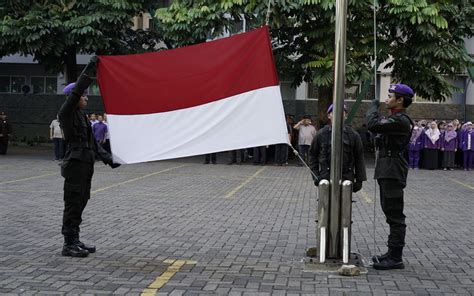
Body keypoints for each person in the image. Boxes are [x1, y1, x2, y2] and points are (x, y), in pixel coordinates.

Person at [58, 57, 120, 258]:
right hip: (75, 164)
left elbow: (93, 144)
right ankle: (68, 243)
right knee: (73, 202)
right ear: (74, 98)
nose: (86, 98)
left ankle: (75, 239)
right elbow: (76, 91)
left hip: (85, 164)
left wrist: (111, 160)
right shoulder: (66, 113)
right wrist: (90, 70)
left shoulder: (83, 118)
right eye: (84, 96)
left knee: (82, 200)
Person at [366, 83, 414, 270]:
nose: (387, 98)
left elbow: (372, 124)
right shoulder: (394, 119)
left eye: (391, 95)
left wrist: (373, 107)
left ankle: (396, 257)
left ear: (400, 100)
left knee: (394, 215)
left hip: (393, 170)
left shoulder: (401, 120)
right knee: (389, 212)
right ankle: (391, 252)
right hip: (388, 169)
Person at [308, 104, 366, 193]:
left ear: (346, 116)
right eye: (334, 112)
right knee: (325, 205)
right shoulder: (321, 134)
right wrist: (315, 175)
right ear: (328, 116)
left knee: (345, 205)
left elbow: (359, 158)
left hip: (346, 180)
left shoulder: (353, 135)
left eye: (342, 112)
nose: (338, 115)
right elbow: (312, 154)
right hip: (326, 179)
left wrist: (359, 180)